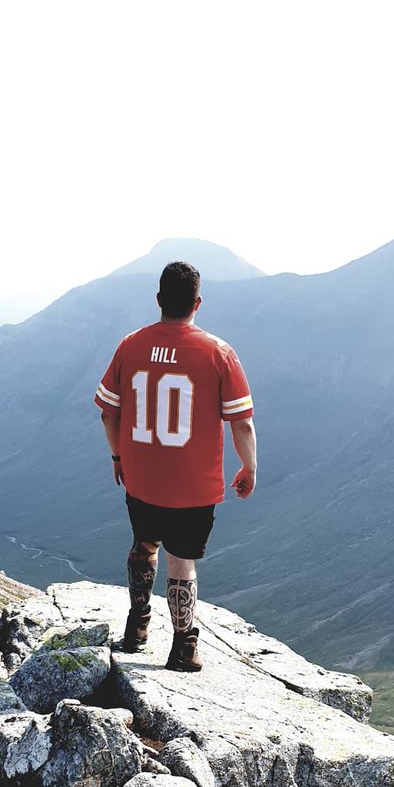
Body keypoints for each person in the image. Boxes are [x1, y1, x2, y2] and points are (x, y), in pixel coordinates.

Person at [94, 260, 257, 672]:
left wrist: (118, 456)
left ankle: (137, 625)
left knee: (143, 544)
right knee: (182, 563)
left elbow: (107, 413)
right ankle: (183, 646)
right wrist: (248, 467)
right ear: (197, 302)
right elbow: (242, 421)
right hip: (194, 487)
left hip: (141, 477)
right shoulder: (218, 353)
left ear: (159, 300)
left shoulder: (130, 346)